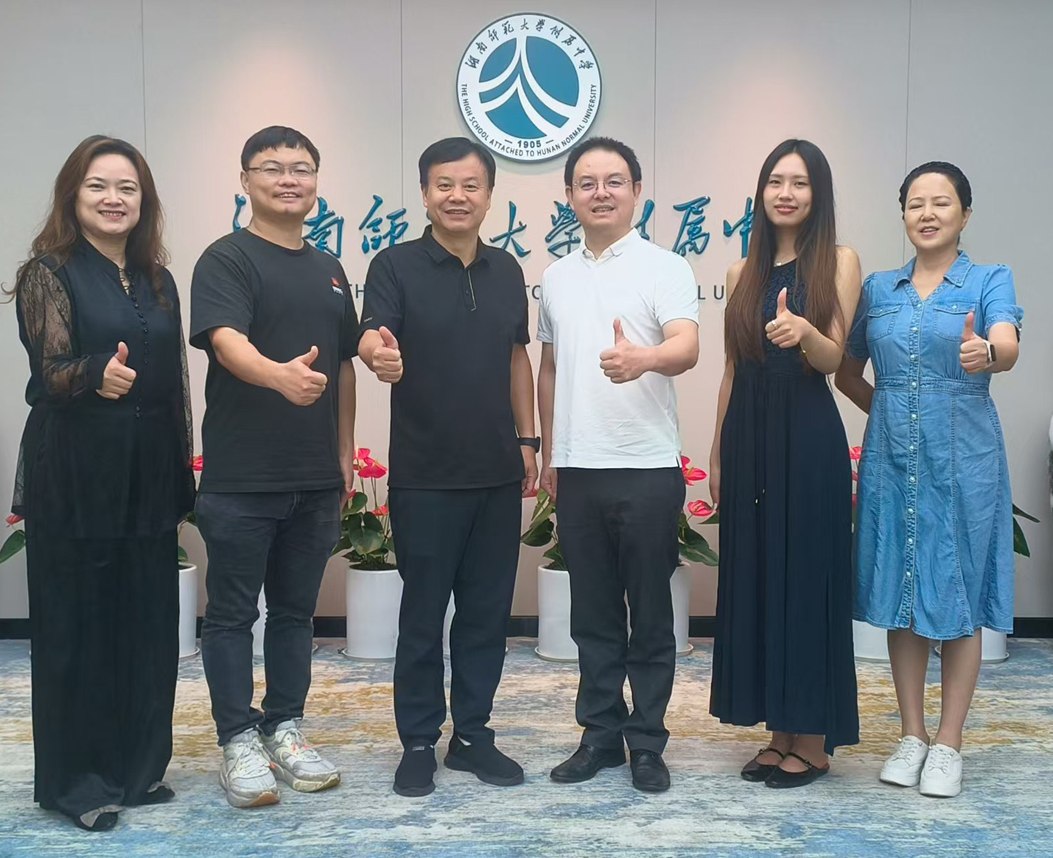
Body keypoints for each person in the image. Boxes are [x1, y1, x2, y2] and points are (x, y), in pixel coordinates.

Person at [9, 135, 193, 831]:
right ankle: (78, 783)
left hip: (145, 473)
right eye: (99, 186)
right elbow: (48, 371)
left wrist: (180, 472)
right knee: (77, 628)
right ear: (73, 195)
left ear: (144, 202)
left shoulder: (157, 279)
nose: (114, 199)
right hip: (76, 474)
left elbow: (176, 387)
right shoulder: (48, 273)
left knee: (146, 624)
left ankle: (138, 769)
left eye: (127, 188)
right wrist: (96, 374)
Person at [357, 137, 539, 797]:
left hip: (497, 474)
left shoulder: (507, 270)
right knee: (423, 616)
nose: (457, 196)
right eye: (443, 185)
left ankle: (471, 737)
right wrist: (377, 355)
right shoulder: (394, 265)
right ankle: (416, 740)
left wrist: (528, 442)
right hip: (425, 475)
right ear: (425, 193)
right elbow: (372, 335)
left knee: (486, 617)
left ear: (489, 196)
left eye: (470, 185)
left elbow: (517, 357)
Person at [834, 161, 1023, 798]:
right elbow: (847, 372)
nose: (928, 213)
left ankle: (949, 743)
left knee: (958, 591)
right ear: (903, 214)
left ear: (965, 213)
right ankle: (912, 734)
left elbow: (1007, 343)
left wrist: (988, 353)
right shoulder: (879, 289)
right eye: (916, 203)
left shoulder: (989, 279)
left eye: (942, 202)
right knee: (901, 588)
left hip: (964, 459)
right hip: (892, 460)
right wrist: (895, 415)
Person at [189, 126, 357, 809]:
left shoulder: (331, 269)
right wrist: (276, 376)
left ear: (316, 181)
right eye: (272, 168)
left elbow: (344, 367)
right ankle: (236, 739)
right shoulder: (226, 259)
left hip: (315, 478)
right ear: (245, 181)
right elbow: (226, 341)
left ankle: (284, 726)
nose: (289, 179)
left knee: (294, 615)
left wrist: (344, 454)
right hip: (242, 477)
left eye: (302, 168)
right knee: (231, 616)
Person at [537, 137, 700, 794]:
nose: (599, 192)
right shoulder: (555, 277)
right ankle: (600, 735)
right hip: (578, 470)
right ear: (570, 196)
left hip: (646, 467)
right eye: (586, 183)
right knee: (593, 615)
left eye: (613, 181)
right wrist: (552, 454)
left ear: (636, 191)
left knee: (651, 615)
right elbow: (550, 369)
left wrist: (644, 359)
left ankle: (648, 742)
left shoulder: (666, 267)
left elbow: (686, 346)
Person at [708, 140, 862, 788]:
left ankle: (814, 740)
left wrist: (805, 333)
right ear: (762, 192)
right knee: (762, 578)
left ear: (816, 193)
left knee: (807, 580)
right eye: (776, 181)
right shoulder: (743, 269)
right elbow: (731, 369)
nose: (786, 193)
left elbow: (835, 361)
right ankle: (779, 731)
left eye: (799, 182)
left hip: (807, 435)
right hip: (749, 438)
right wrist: (718, 451)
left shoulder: (840, 261)